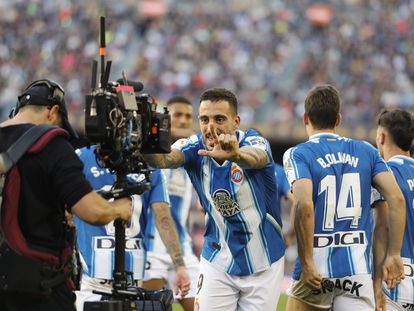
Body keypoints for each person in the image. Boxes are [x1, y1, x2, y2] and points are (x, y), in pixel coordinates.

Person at [141, 87, 285, 311]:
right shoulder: (193, 147)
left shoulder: (253, 141)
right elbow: (163, 160)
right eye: (204, 119)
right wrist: (142, 138)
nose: (211, 128)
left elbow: (258, 157)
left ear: (236, 122)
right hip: (217, 259)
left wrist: (236, 155)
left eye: (219, 119)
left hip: (264, 262)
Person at [0, 79, 132, 311]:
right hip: (38, 287)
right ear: (52, 112)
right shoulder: (52, 143)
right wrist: (118, 209)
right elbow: (91, 211)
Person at [283, 84, 406, 311]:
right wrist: (395, 254)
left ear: (305, 118)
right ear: (338, 119)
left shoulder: (297, 154)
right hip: (357, 273)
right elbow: (397, 199)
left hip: (316, 269)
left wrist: (308, 262)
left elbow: (303, 204)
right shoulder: (367, 151)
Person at [74, 145, 190, 310]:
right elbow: (163, 217)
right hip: (131, 278)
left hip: (93, 279)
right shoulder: (151, 162)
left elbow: (64, 207)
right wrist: (179, 265)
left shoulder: (81, 156)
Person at [142, 96, 200, 311]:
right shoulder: (149, 155)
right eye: (178, 115)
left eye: (188, 116)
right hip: (151, 249)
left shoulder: (192, 158)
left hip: (183, 249)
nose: (184, 120)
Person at [371, 109, 414, 311]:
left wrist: (376, 284)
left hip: (395, 281)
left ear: (381, 136)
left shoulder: (384, 174)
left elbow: (382, 228)